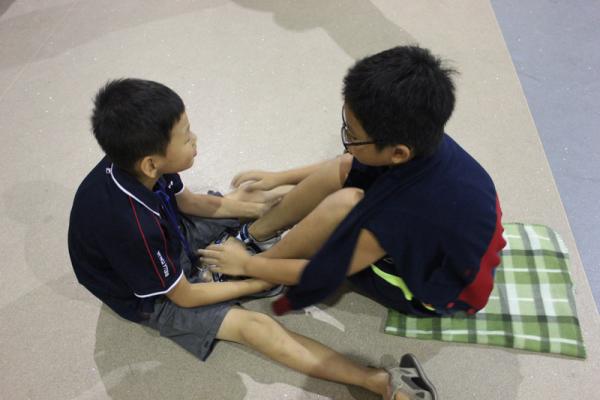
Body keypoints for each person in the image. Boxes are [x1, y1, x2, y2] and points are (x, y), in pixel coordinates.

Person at [68, 78, 438, 400]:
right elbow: (184, 296)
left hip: (170, 231)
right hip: (155, 293)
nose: (195, 139)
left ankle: (247, 246)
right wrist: (258, 279)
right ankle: (381, 383)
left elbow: (190, 203)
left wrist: (261, 209)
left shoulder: (135, 161)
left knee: (254, 197)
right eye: (186, 136)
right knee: (254, 327)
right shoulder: (132, 227)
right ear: (151, 163)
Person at [199, 45, 506, 318]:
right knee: (346, 166)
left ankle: (261, 273)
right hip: (456, 233)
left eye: (352, 135)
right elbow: (348, 162)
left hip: (438, 291)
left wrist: (248, 265)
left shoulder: (402, 214)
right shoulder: (420, 137)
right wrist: (279, 177)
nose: (346, 139)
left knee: (343, 209)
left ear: (398, 153)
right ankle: (254, 237)